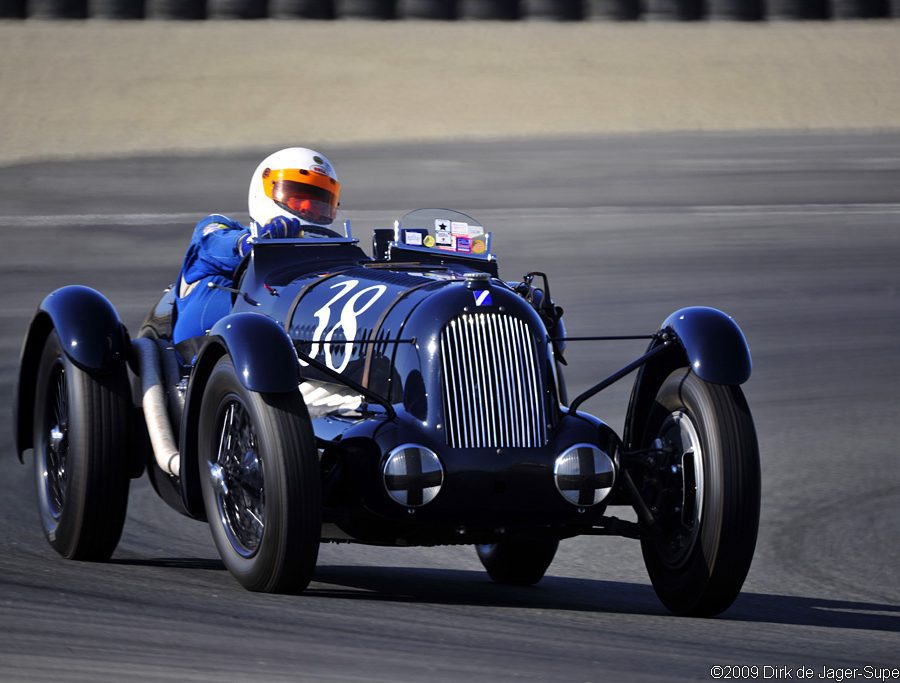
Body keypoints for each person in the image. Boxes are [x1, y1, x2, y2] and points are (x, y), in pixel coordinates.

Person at [173, 147, 342, 343]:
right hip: (202, 354)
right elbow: (215, 243)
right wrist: (250, 242)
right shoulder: (216, 229)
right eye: (298, 198)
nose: (308, 209)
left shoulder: (331, 255)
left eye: (318, 203)